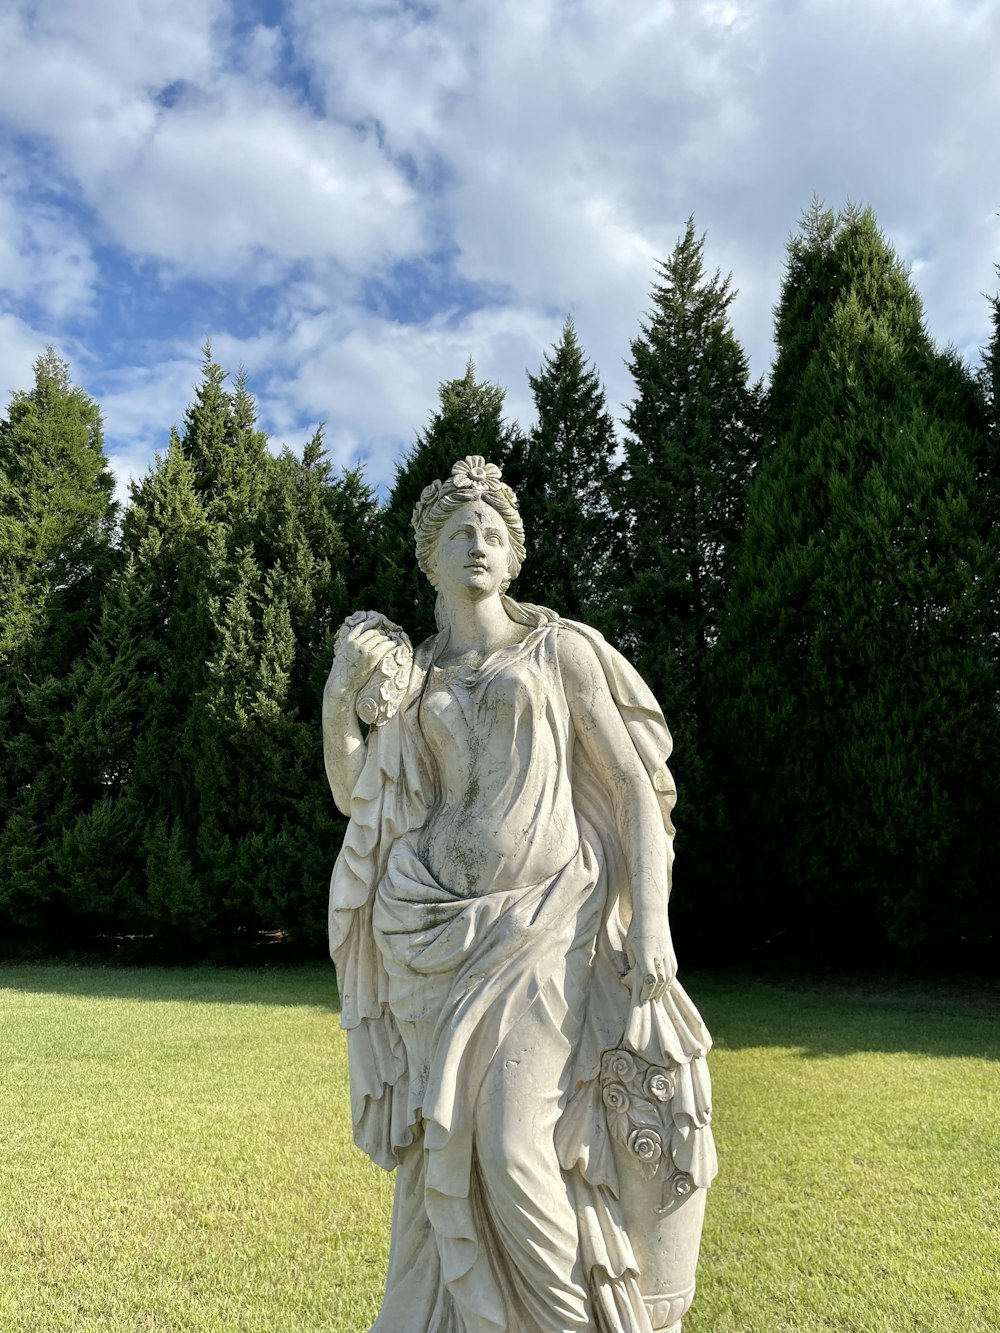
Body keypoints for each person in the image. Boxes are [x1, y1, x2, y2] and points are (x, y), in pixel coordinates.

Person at [323, 456, 716, 1333]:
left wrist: (649, 920)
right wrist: (340, 696)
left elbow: (631, 791)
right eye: (459, 532)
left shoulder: (558, 649)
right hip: (426, 931)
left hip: (546, 927)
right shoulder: (416, 673)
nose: (477, 544)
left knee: (507, 1144)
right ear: (430, 556)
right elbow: (361, 794)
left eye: (492, 534)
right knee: (441, 1157)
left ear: (513, 558)